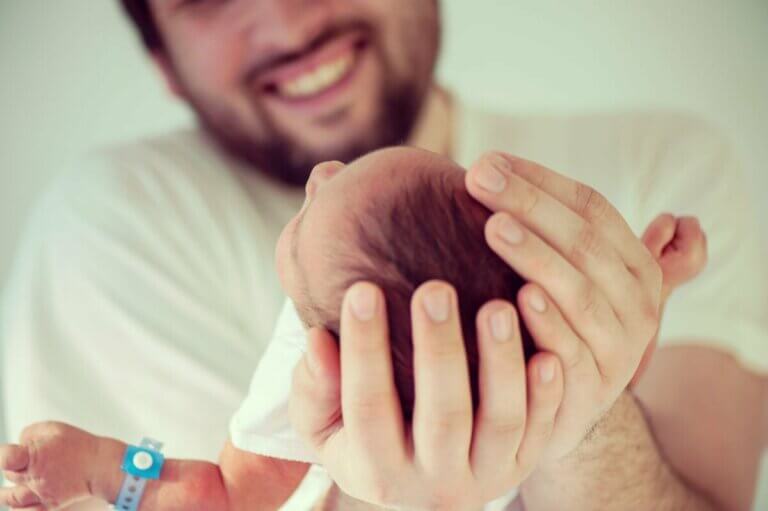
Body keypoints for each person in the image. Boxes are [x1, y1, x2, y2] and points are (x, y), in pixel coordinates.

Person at [1, 0, 766, 509]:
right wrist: (651, 279)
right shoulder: (116, 225)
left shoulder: (304, 364)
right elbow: (614, 352)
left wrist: (109, 470)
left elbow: (213, 496)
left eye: (316, 209)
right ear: (162, 61)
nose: (283, 14)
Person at [0, 146, 708, 510]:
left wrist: (621, 305)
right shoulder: (319, 326)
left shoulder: (319, 345)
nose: (321, 174)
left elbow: (599, 382)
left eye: (314, 206)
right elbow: (215, 490)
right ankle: (101, 465)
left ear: (346, 342)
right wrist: (650, 285)